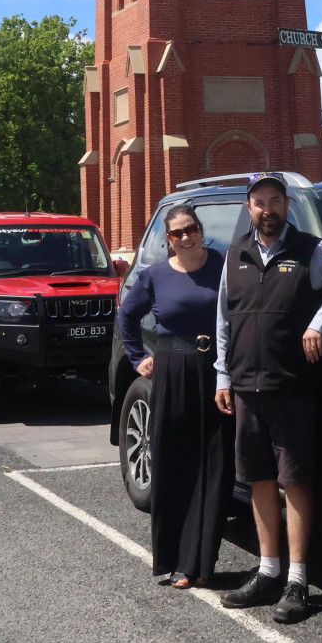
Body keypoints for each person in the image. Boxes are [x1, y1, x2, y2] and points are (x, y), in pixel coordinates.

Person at [213, 173, 322, 624]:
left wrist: (320, 322)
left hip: (292, 386)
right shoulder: (235, 254)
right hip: (245, 387)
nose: (268, 209)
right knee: (259, 479)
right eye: (259, 202)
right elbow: (225, 316)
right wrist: (223, 376)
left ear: (286, 206)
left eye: (275, 201)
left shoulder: (312, 250)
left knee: (294, 481)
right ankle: (267, 572)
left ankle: (297, 581)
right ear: (248, 208)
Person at [116, 204, 232, 588]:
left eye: (191, 229)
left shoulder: (223, 265)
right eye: (178, 233)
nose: (186, 237)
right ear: (169, 239)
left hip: (216, 370)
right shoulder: (155, 276)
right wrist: (137, 358)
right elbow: (126, 317)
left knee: (214, 466)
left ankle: (204, 563)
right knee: (175, 462)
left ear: (200, 230)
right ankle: (178, 562)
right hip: (172, 368)